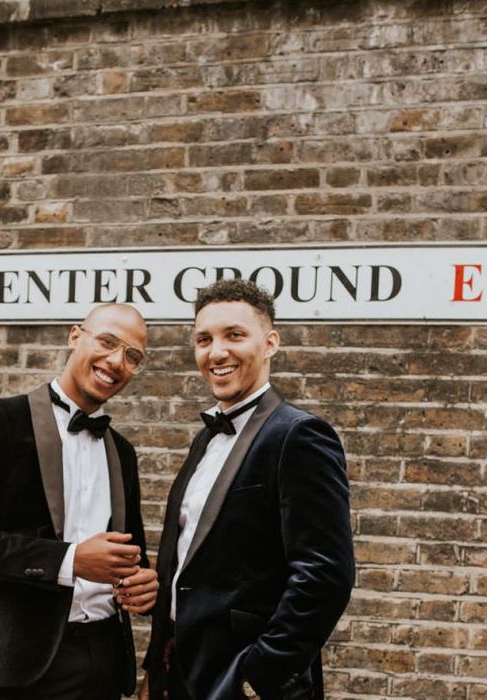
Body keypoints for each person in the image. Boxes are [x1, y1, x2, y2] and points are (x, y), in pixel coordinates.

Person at [142, 279, 354, 700]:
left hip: (247, 684)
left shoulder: (299, 435)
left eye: (234, 335)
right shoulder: (205, 439)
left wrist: (260, 675)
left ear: (270, 343)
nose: (216, 352)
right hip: (182, 675)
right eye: (204, 339)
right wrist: (158, 663)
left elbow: (325, 573)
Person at [0, 303, 158, 700]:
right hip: (29, 665)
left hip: (106, 656)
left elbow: (132, 554)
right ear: (75, 336)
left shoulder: (122, 451)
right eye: (107, 342)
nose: (116, 361)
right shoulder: (2, 419)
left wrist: (145, 583)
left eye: (132, 356)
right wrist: (70, 560)